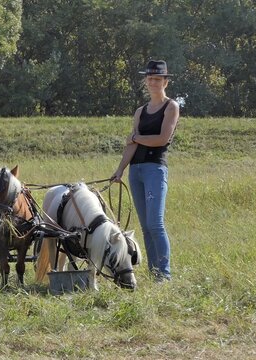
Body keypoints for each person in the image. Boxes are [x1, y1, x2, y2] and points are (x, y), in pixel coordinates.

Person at [111, 60, 180, 282]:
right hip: (136, 170)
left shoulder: (171, 107)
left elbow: (162, 139)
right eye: (150, 78)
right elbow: (131, 145)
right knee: (145, 225)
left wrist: (136, 138)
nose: (153, 82)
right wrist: (120, 169)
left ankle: (164, 275)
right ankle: (154, 272)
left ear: (165, 82)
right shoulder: (140, 111)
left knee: (155, 224)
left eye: (157, 79)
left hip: (155, 169)